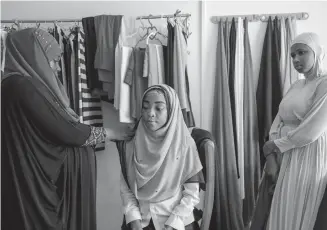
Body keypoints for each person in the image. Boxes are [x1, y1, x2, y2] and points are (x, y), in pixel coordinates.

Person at [1, 28, 133, 230]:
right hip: (39, 193)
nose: (58, 68)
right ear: (34, 57)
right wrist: (111, 133)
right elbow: (65, 131)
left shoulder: (13, 86)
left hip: (33, 185)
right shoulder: (24, 87)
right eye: (52, 60)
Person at [251, 32, 327, 230]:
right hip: (282, 153)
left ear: (317, 52)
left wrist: (274, 145)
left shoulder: (324, 83)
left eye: (301, 52)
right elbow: (278, 120)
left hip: (307, 155)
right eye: (292, 55)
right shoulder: (296, 84)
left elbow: (312, 130)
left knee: (298, 209)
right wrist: (271, 155)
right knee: (277, 209)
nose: (296, 59)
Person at [117, 84, 204, 230]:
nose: (150, 113)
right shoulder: (131, 144)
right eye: (145, 107)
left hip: (177, 221)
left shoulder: (184, 145)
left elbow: (192, 194)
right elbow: (126, 190)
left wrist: (173, 224)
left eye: (158, 108)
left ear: (171, 111)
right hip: (140, 221)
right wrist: (134, 220)